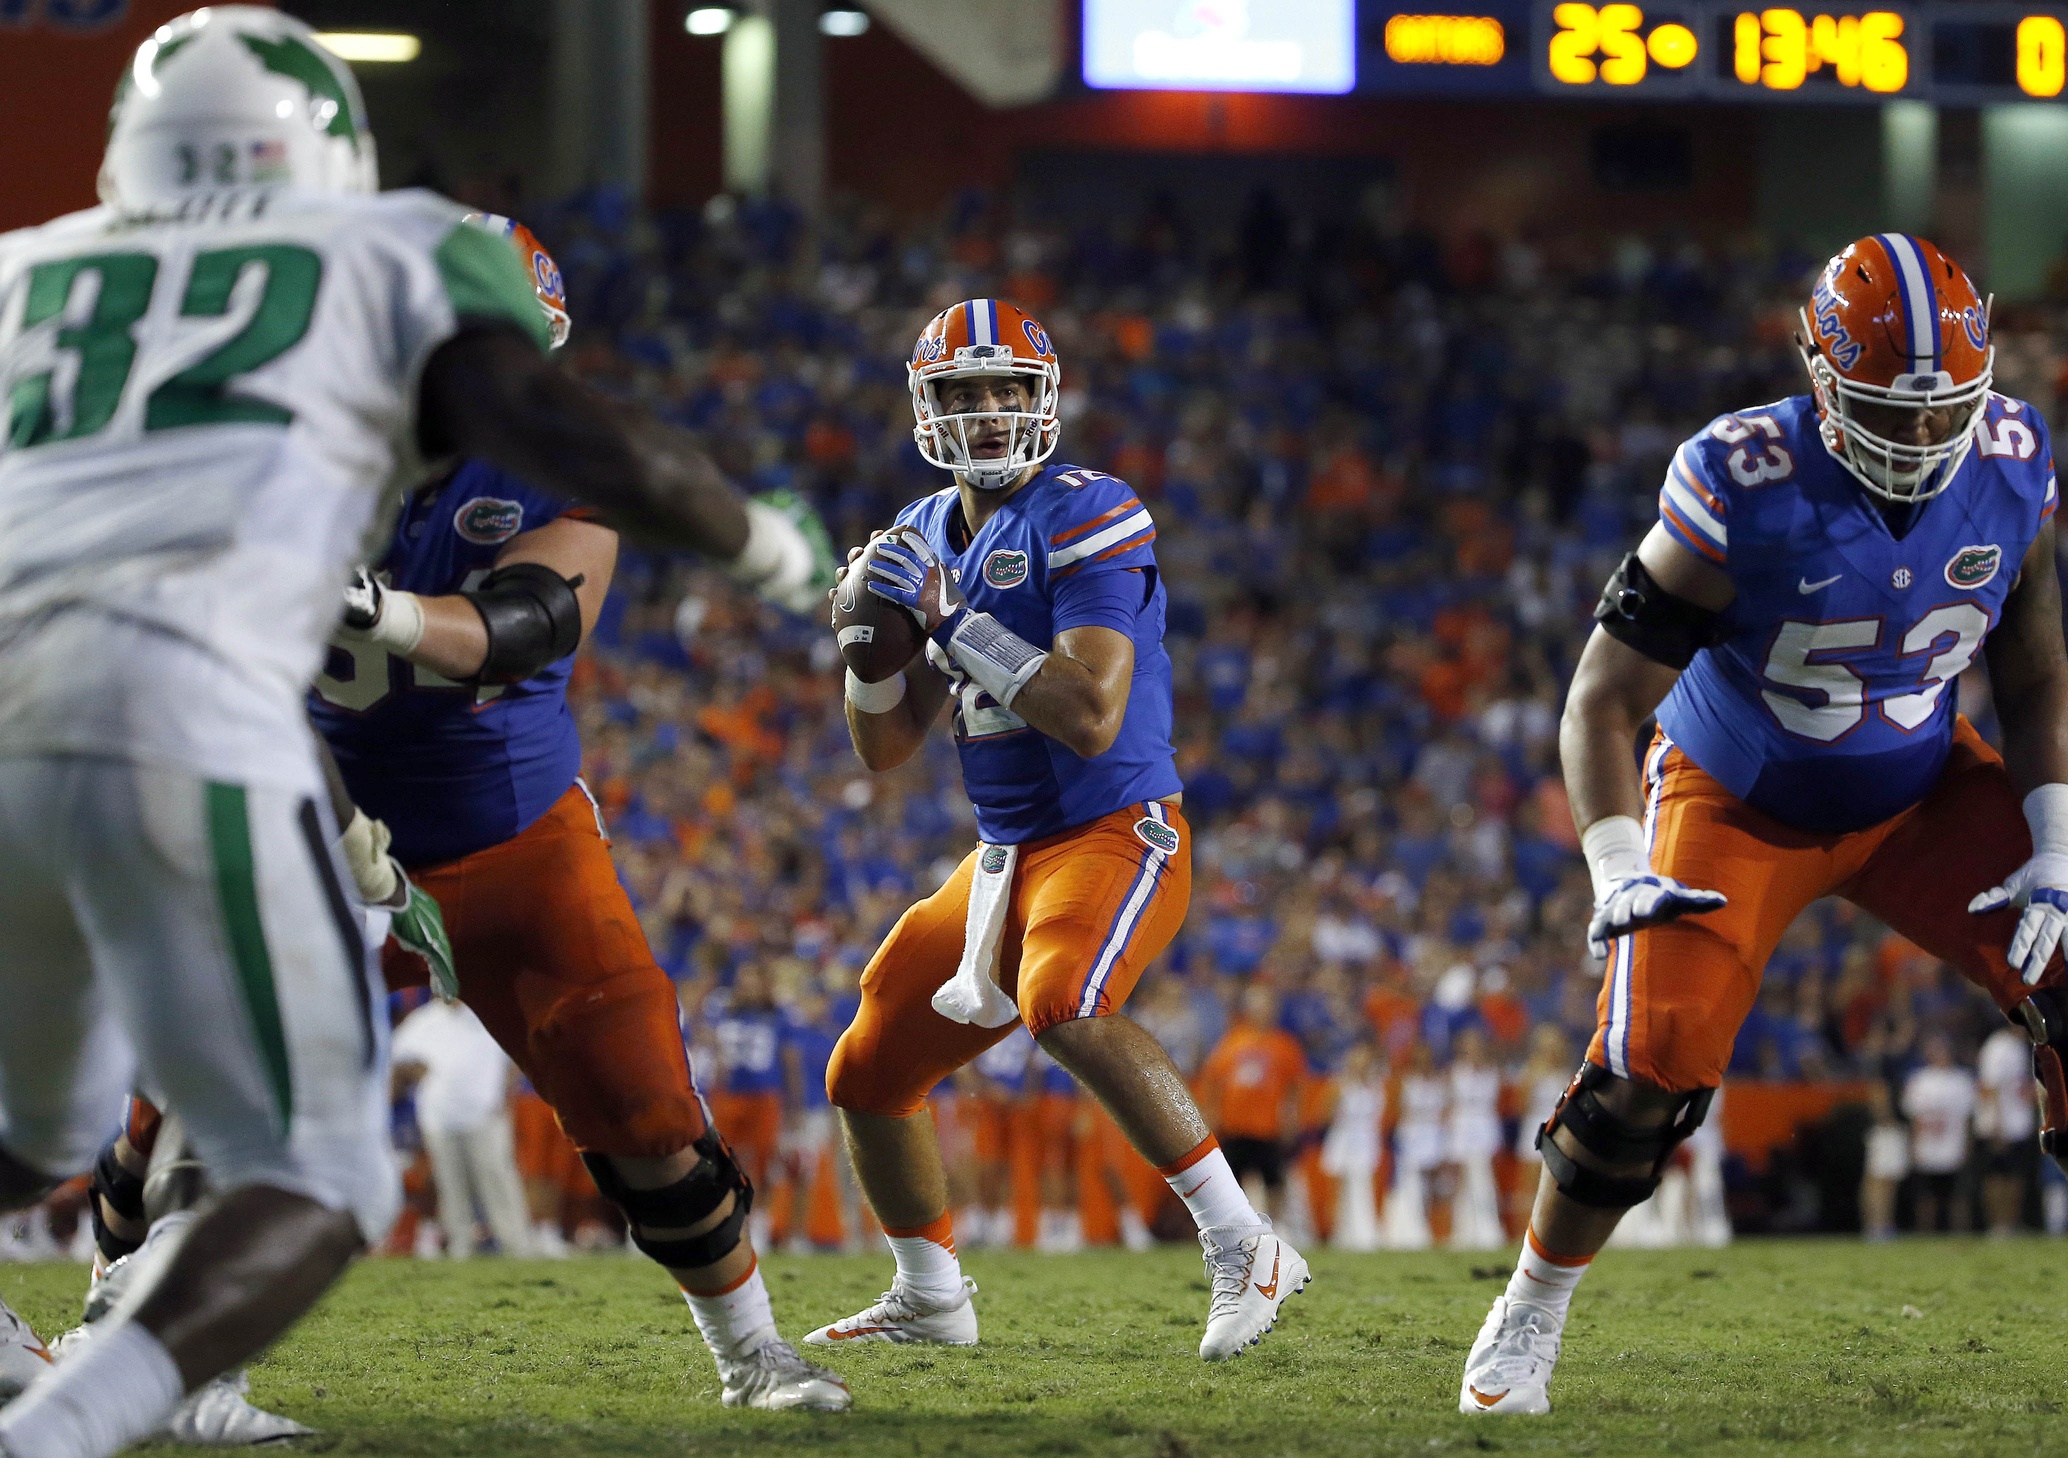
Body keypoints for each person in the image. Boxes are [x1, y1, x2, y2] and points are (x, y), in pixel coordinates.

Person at [0, 13, 844, 1450]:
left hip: (497, 823)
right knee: (193, 1101)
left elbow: (530, 625)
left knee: (642, 1108)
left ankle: (750, 1347)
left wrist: (379, 610)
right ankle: (141, 1356)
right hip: (276, 777)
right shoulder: (297, 382)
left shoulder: (115, 308)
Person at [1463, 233, 2068, 1415]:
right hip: (1737, 798)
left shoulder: (2015, 458)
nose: (1923, 439)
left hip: (1920, 791)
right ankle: (1529, 1307)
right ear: (1818, 377)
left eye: (1946, 409)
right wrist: (1613, 861)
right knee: (1648, 1070)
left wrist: (2051, 837)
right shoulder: (1739, 479)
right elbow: (1600, 698)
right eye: (1892, 414)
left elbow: (2034, 667)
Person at [807, 299, 1309, 1361]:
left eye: (1005, 391)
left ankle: (1245, 1242)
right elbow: (884, 747)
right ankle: (930, 1295)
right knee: (865, 1071)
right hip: (1002, 857)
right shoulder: (918, 532)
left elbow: (1089, 716)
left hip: (1116, 828)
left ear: (1042, 401)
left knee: (1065, 1000)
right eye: (962, 393)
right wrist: (865, 652)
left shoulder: (1090, 511)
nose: (986, 413)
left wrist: (946, 622)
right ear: (926, 407)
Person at [391, 998, 531, 1258]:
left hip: (485, 1115)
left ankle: (516, 1246)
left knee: (497, 1182)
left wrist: (504, 1096)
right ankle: (460, 1248)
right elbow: (397, 1058)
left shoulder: (487, 1016)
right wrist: (415, 1072)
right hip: (439, 1119)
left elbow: (515, 1058)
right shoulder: (423, 1021)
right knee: (451, 1188)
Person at [1194, 984, 1305, 1222]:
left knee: (1274, 1180)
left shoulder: (1284, 1046)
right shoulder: (1231, 1042)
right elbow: (1214, 1082)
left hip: (1268, 1126)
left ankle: (1275, 1226)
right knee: (1232, 1182)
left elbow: (1293, 1088)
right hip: (1235, 1125)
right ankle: (1237, 1226)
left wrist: (1291, 1118)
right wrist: (1211, 1116)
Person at [1903, 1033, 1978, 1232]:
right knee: (1926, 1197)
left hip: (1953, 1145)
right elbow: (1914, 1118)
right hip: (1928, 1147)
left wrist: (1968, 1144)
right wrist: (1913, 1146)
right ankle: (1926, 1234)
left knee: (1958, 1197)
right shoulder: (1919, 1080)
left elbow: (1968, 1118)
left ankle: (1960, 1234)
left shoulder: (1962, 1080)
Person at [1976, 1020, 2038, 1234]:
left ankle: (2011, 1223)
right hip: (2001, 1124)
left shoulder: (2018, 1046)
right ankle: (1997, 1224)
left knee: (2015, 1175)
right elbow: (1990, 1086)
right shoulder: (1999, 1046)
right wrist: (1996, 1123)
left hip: (2017, 1123)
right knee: (1997, 1176)